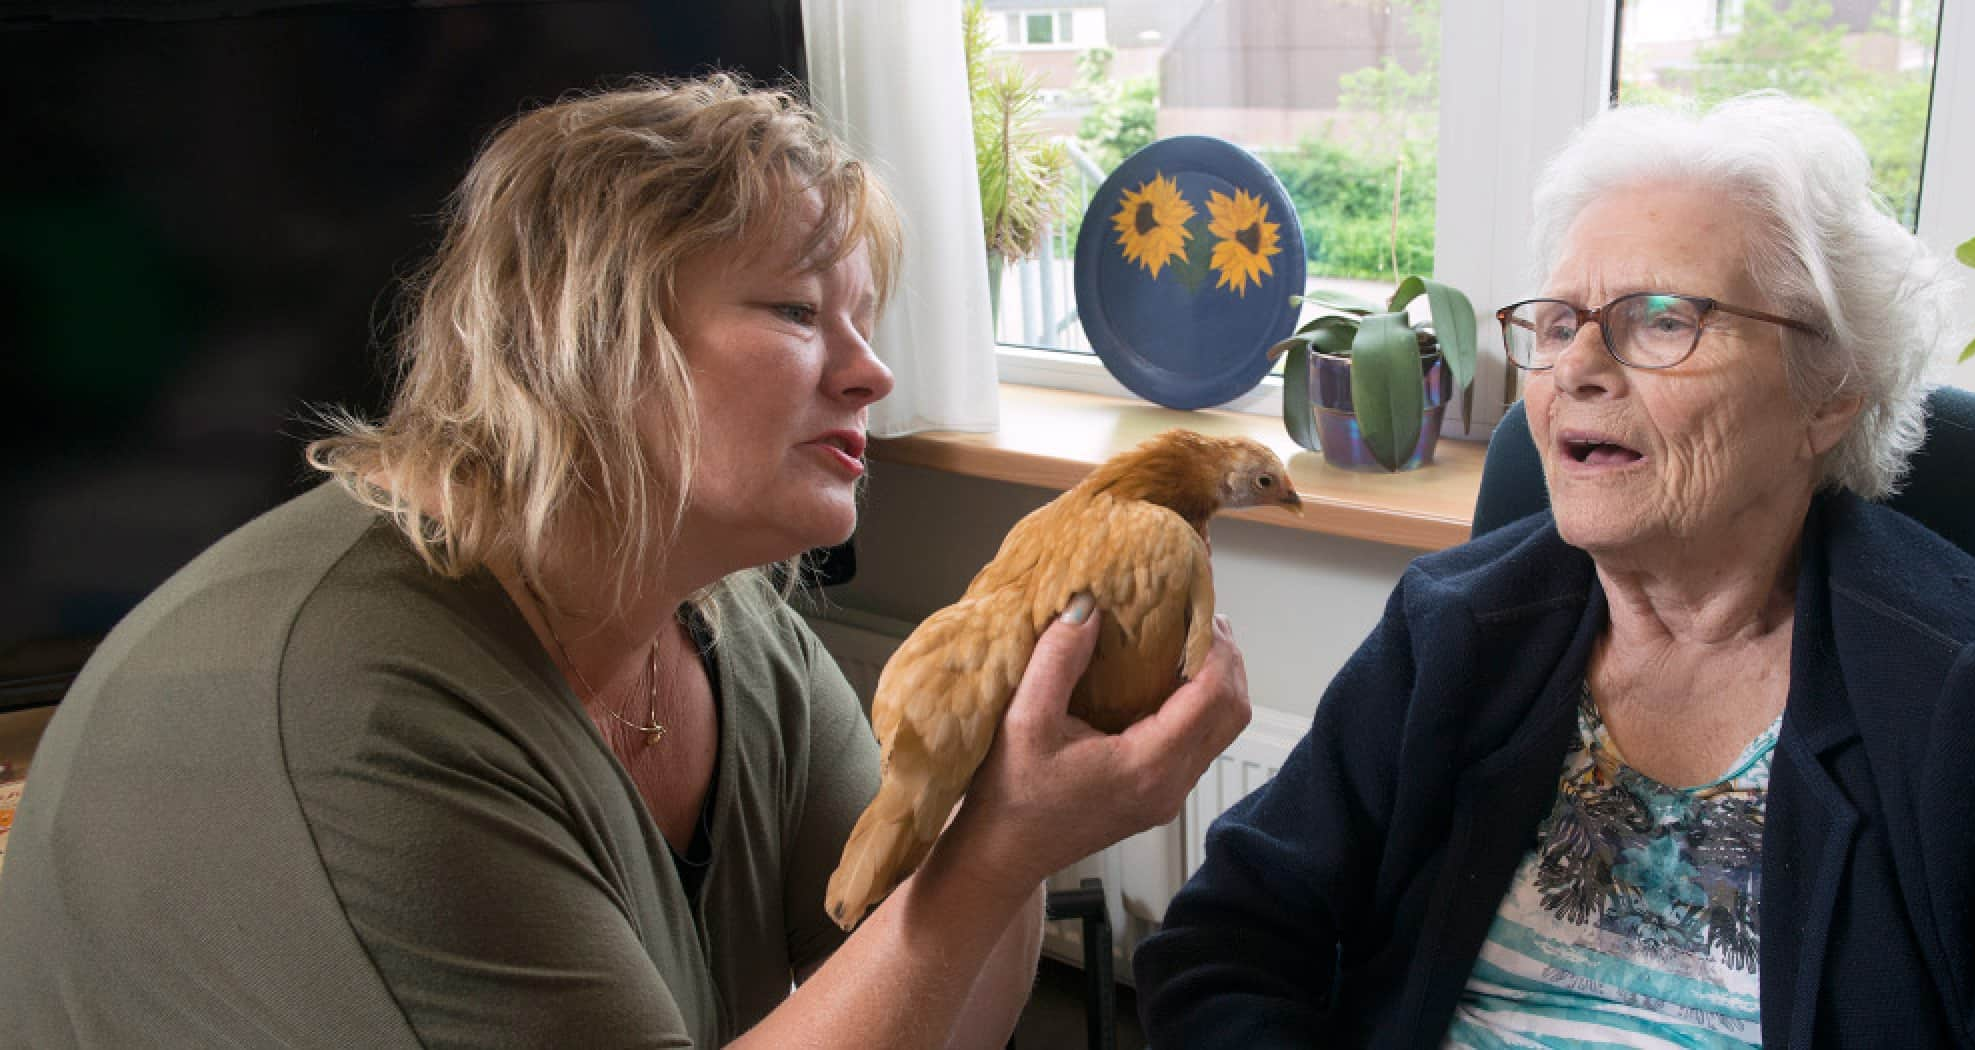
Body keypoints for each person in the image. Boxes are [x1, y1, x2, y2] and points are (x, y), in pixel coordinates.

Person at [0, 75, 1250, 1049]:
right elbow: (951, 917)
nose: (870, 371)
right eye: (797, 311)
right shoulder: (352, 715)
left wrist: (1011, 801)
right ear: (585, 342)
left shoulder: (728, 627)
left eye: (864, 319)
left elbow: (932, 1005)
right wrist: (995, 853)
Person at [1133, 95, 1975, 1049]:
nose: (1577, 368)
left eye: (1662, 320)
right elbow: (1225, 944)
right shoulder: (1453, 626)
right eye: (1559, 322)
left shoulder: (1971, 693)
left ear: (1829, 392)